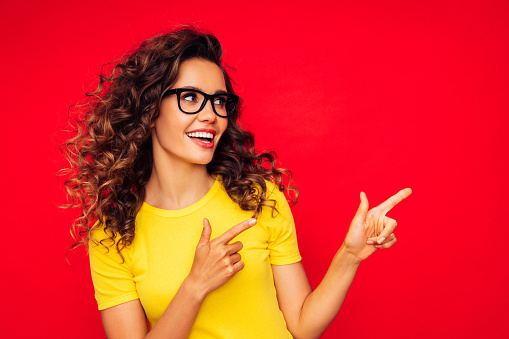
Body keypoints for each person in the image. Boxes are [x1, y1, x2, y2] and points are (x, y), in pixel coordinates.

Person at [62, 26, 412, 339]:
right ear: (150, 110)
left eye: (219, 101)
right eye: (190, 98)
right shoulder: (112, 235)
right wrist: (195, 286)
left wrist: (350, 255)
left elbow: (303, 327)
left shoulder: (257, 198)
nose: (211, 114)